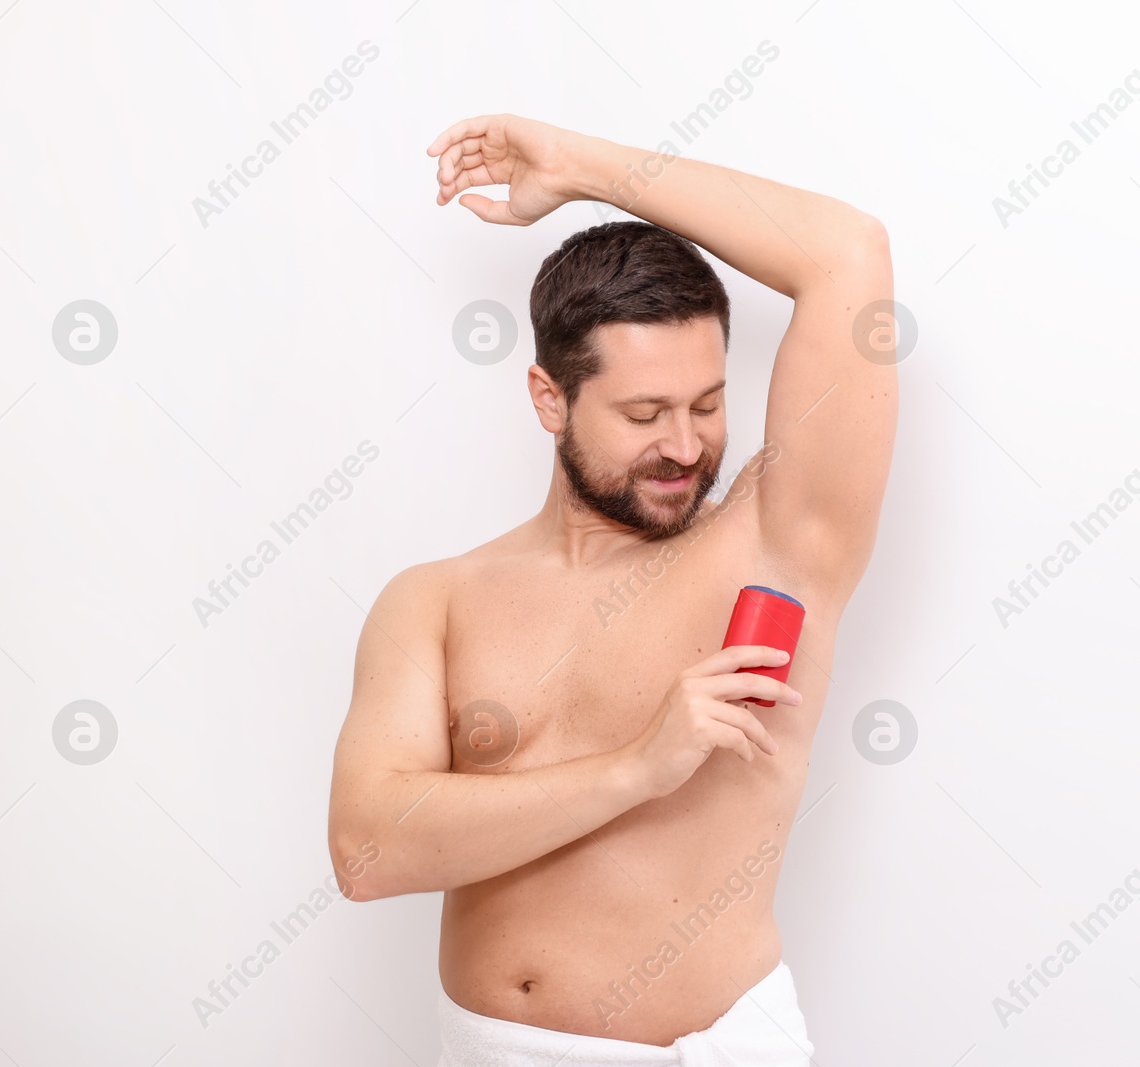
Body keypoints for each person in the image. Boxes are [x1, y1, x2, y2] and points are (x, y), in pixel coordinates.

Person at [327, 113, 896, 1065]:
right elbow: (368, 853)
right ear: (550, 398)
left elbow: (848, 252)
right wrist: (641, 764)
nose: (685, 447)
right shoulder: (435, 601)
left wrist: (581, 167)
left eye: (708, 405)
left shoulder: (777, 542)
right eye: (643, 412)